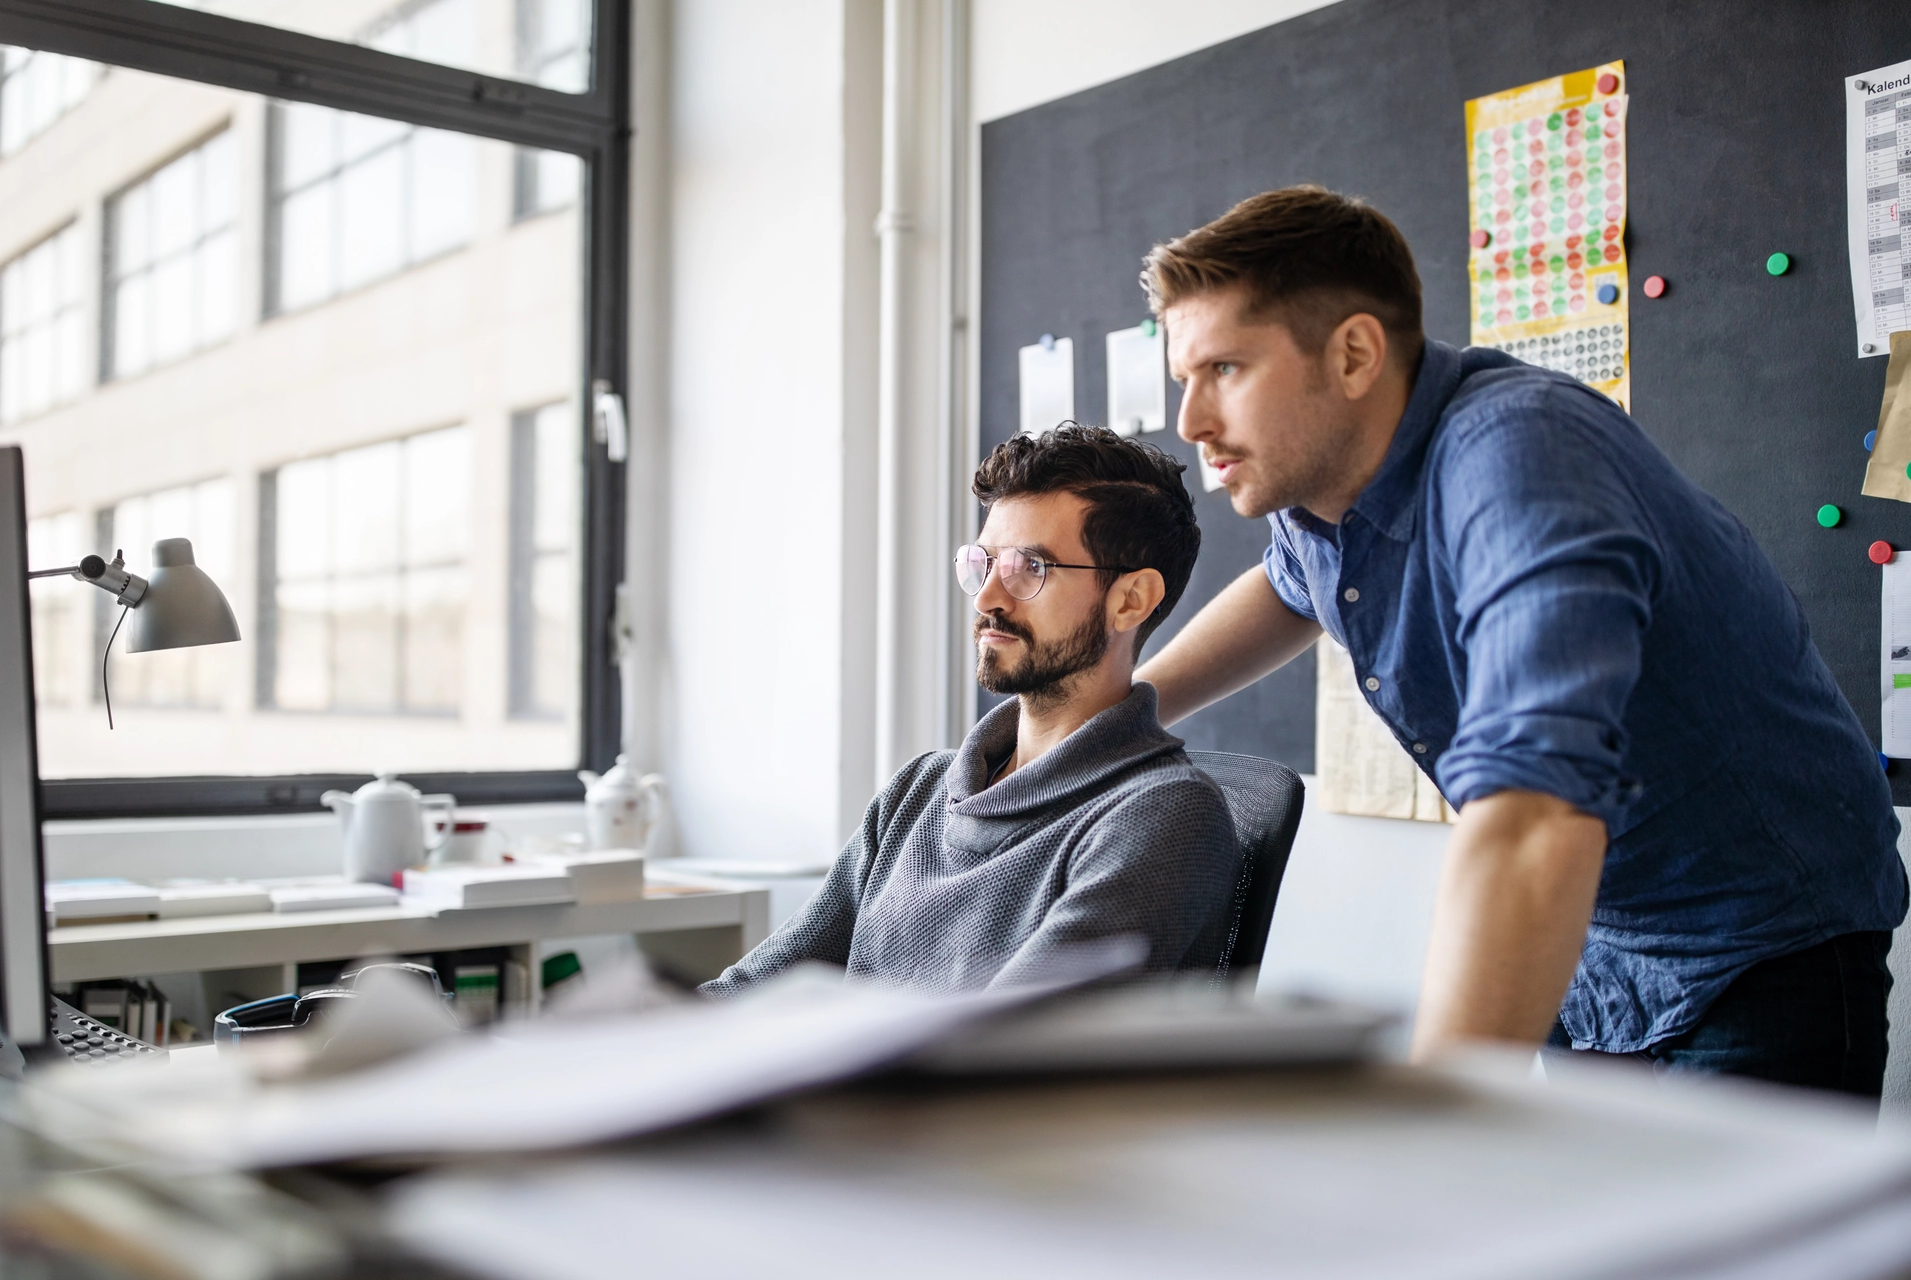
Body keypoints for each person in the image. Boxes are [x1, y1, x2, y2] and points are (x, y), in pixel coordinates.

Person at [1134, 185, 1906, 1095]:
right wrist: (1124, 713)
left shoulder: (1519, 456)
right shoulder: (1330, 493)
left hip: (1754, 943)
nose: (1189, 423)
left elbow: (1536, 811)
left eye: (1223, 369)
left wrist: (1434, 1112)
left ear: (1352, 354)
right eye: (1184, 377)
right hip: (1593, 948)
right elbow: (1287, 586)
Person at [701, 426, 1241, 998]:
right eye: (982, 564)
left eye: (1030, 568)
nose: (987, 598)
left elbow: (1000, 1056)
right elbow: (752, 989)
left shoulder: (1161, 816)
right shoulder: (919, 791)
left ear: (1130, 600)